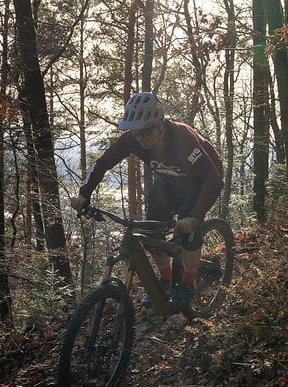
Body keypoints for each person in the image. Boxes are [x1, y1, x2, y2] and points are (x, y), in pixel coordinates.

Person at [69, 92, 224, 309]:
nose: (141, 139)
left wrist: (195, 218)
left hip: (200, 179)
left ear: (160, 123)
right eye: (135, 133)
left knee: (189, 229)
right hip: (170, 180)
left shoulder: (182, 138)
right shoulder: (132, 140)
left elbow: (214, 180)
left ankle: (188, 283)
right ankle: (166, 280)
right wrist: (84, 193)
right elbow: (102, 163)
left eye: (146, 132)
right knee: (150, 231)